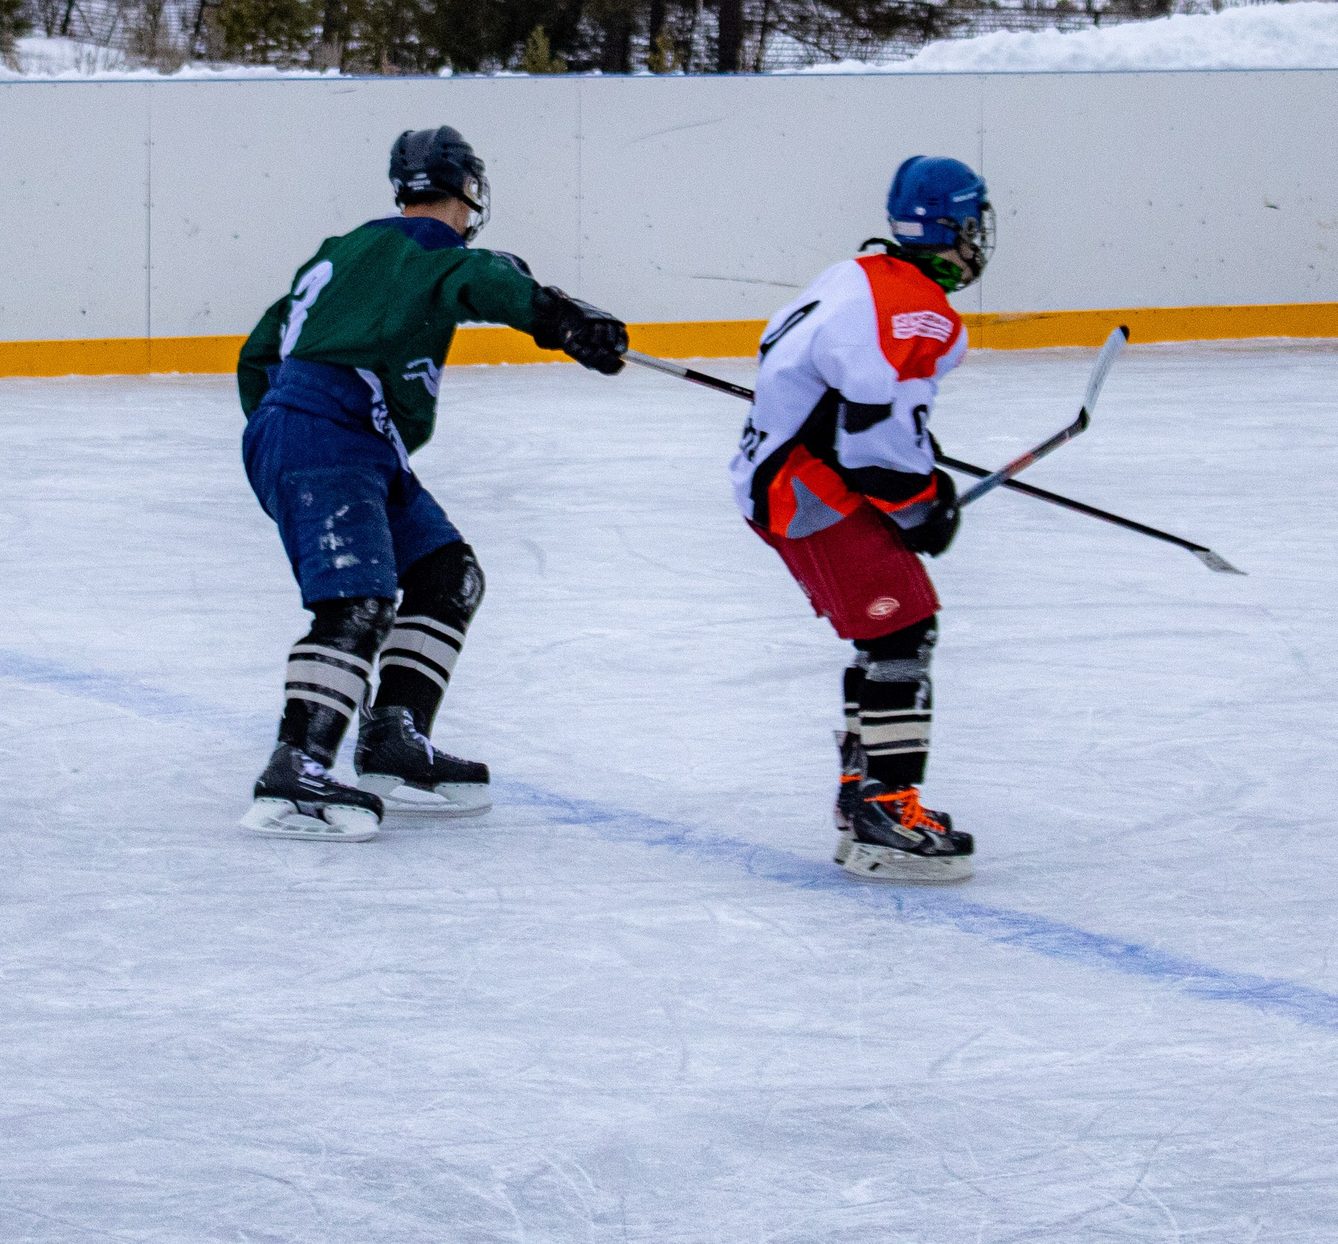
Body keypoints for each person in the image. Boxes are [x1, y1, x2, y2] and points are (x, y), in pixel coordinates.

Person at [234, 126, 631, 842]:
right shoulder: (426, 247)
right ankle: (296, 768)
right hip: (327, 437)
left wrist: (275, 430)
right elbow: (480, 280)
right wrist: (563, 319)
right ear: (468, 188)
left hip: (345, 441)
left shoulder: (343, 250)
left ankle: (395, 736)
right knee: (356, 601)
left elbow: (258, 351)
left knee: (448, 574)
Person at [730, 156, 988, 884]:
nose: (977, 241)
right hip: (811, 492)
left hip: (782, 477)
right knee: (905, 630)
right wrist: (921, 505)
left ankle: (862, 794)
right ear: (952, 229)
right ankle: (887, 808)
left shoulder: (855, 274)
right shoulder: (921, 310)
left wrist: (917, 460)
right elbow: (872, 443)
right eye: (972, 226)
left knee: (884, 631)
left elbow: (845, 395)